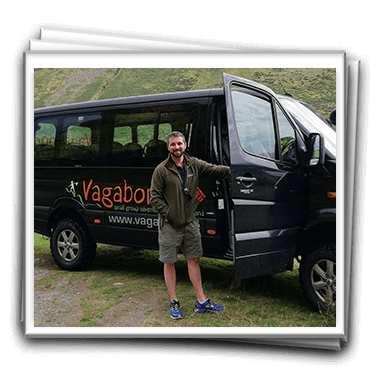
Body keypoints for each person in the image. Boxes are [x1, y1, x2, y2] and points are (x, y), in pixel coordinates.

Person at [150, 131, 230, 319]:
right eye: (172, 144)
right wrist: (170, 215)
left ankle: (201, 302)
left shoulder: (194, 164)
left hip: (190, 224)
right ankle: (174, 301)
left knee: (194, 259)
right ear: (168, 147)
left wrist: (240, 170)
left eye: (179, 143)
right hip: (170, 225)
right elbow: (154, 198)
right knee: (169, 262)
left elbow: (215, 169)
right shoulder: (161, 170)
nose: (176, 147)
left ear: (185, 145)